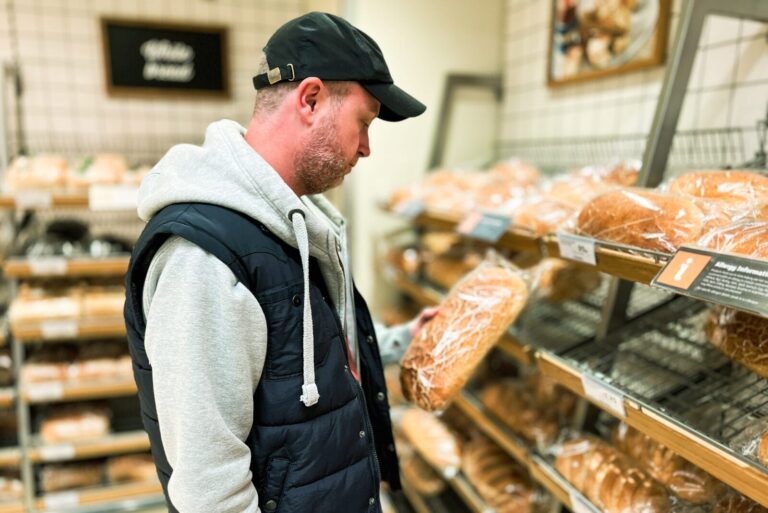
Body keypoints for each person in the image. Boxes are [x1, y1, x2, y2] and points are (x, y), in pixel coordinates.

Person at [123, 11, 430, 513]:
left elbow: (297, 362)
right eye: (365, 121)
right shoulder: (204, 257)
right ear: (310, 99)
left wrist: (399, 343)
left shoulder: (293, 221)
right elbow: (209, 490)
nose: (368, 148)